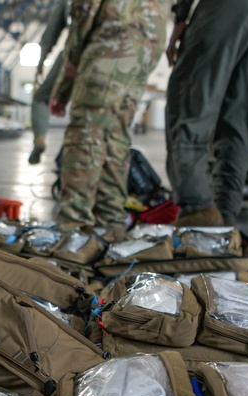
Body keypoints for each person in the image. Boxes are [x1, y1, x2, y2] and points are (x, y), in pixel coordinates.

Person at [164, 0, 248, 227]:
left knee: (189, 102)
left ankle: (198, 209)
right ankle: (225, 213)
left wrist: (181, 16)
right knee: (240, 115)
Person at [49, 0, 166, 237]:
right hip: (149, 37)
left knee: (85, 133)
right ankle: (112, 225)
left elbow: (85, 9)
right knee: (115, 135)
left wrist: (68, 69)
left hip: (116, 35)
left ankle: (73, 228)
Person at [28, 0, 70, 165]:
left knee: (40, 98)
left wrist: (41, 64)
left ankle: (39, 139)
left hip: (72, 56)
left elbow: (50, 34)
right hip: (116, 60)